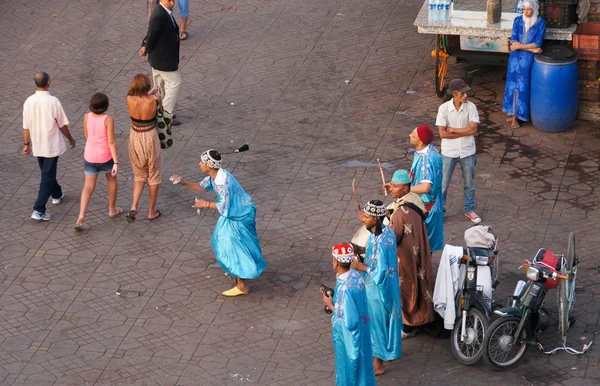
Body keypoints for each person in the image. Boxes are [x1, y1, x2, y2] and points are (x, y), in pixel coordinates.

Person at [170, 149, 267, 296]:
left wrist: (205, 204)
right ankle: (235, 271)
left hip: (240, 216)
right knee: (220, 241)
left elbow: (225, 206)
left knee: (232, 248)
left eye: (202, 162)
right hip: (234, 214)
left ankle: (241, 285)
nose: (199, 164)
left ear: (209, 165)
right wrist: (184, 183)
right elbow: (202, 187)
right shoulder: (216, 175)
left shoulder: (222, 183)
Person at [351, 200, 402, 375]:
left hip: (377, 290)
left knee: (376, 324)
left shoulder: (380, 241)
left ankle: (378, 364)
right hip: (389, 285)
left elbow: (379, 271)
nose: (363, 219)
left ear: (376, 218)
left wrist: (359, 267)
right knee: (382, 322)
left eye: (366, 217)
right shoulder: (386, 232)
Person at [386, 170, 435, 338]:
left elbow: (392, 237)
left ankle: (407, 327)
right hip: (418, 249)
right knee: (420, 282)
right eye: (391, 185)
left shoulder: (400, 213)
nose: (391, 188)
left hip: (405, 256)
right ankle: (420, 319)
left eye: (395, 186)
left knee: (407, 287)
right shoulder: (415, 199)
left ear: (406, 188)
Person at [22, 71, 76, 221]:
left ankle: (57, 194)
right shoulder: (53, 102)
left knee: (47, 172)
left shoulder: (28, 101)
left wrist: (26, 143)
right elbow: (62, 125)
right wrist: (70, 139)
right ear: (48, 83)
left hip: (38, 144)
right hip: (51, 145)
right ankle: (38, 209)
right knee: (47, 175)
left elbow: (26, 126)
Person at [321, 243, 376, 386]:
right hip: (363, 331)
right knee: (363, 368)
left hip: (349, 338)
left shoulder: (345, 287)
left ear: (336, 262)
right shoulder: (355, 276)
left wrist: (330, 305)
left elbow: (349, 320)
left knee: (348, 368)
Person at [435, 78, 481, 224]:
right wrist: (466, 131)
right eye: (463, 93)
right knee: (442, 185)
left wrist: (453, 130)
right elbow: (442, 134)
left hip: (467, 151)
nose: (466, 96)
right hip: (448, 152)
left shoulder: (471, 107)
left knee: (469, 184)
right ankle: (440, 211)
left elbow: (474, 129)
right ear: (455, 94)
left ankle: (469, 210)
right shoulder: (443, 109)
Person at [75, 93, 122, 230]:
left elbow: (87, 135)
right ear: (106, 106)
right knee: (111, 180)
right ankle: (112, 209)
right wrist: (116, 162)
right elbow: (111, 141)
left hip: (90, 155)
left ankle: (81, 214)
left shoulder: (86, 117)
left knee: (88, 186)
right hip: (105, 156)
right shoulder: (108, 119)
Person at [502, 0, 545, 129]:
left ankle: (519, 115)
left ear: (534, 9)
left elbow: (537, 43)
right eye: (524, 9)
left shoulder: (540, 23)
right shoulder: (517, 21)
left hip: (527, 60)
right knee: (512, 83)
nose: (526, 12)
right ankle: (513, 114)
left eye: (529, 9)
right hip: (515, 59)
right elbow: (513, 42)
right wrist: (530, 48)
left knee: (523, 85)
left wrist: (522, 47)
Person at [125, 74, 162, 222]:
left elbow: (135, 96)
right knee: (154, 174)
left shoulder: (129, 99)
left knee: (139, 173)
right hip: (150, 136)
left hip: (135, 136)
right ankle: (151, 211)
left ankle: (134, 206)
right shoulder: (154, 100)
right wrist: (154, 94)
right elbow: (161, 112)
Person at [140, 0, 182, 125]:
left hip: (159, 59)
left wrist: (145, 46)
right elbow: (152, 34)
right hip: (163, 60)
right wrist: (146, 46)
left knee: (159, 87)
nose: (172, 2)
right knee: (175, 82)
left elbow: (151, 32)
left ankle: (159, 112)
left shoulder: (162, 11)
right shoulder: (159, 15)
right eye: (169, 0)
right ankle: (166, 116)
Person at [408, 125, 444, 251]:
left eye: (413, 135)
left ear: (420, 141)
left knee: (424, 247)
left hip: (426, 207)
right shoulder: (425, 151)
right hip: (427, 205)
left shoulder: (426, 159)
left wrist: (405, 189)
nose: (409, 136)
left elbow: (425, 187)